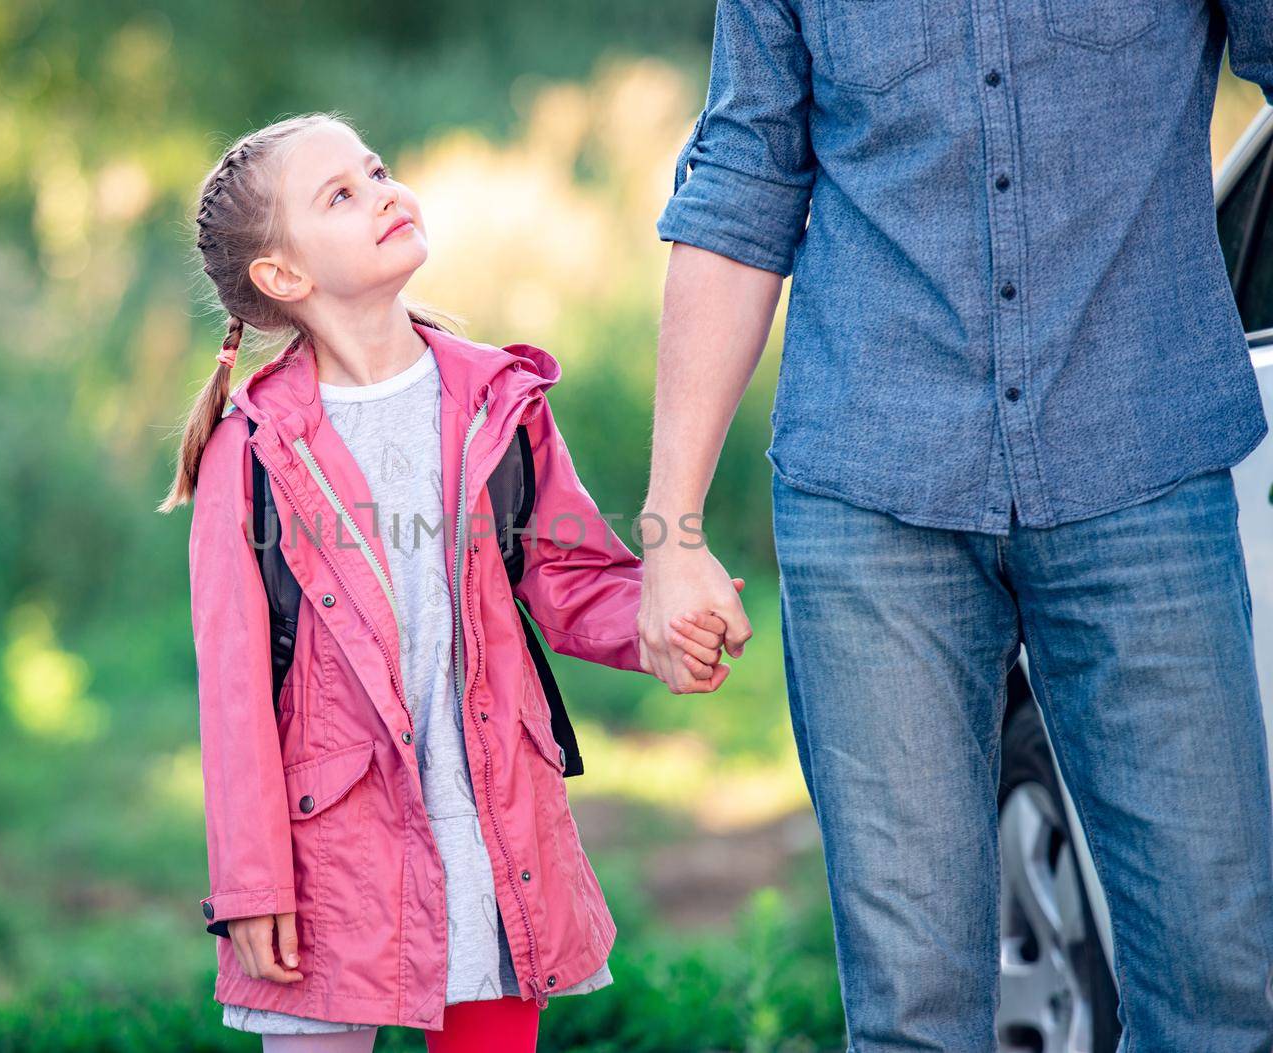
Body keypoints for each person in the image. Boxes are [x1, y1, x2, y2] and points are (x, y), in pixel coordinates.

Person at [636, 2, 1273, 1051]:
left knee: (1220, 989)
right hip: (871, 493)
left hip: (1142, 468)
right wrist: (672, 533)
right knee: (912, 1016)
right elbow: (740, 182)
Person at [160, 112, 735, 1053]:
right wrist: (253, 882)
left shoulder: (498, 401)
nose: (384, 191)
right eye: (340, 195)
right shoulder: (253, 450)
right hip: (329, 855)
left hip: (490, 824)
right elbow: (233, 693)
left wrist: (660, 621)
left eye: (377, 169)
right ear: (284, 277)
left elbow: (569, 573)